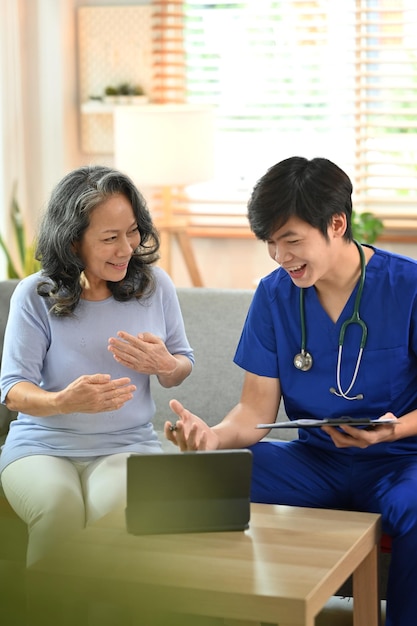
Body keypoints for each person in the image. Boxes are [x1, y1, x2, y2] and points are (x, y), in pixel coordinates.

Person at [165, 156, 417, 626]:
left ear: (336, 224)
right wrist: (212, 438)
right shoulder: (274, 294)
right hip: (315, 462)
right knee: (201, 479)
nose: (281, 257)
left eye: (292, 240)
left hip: (399, 461)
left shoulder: (409, 286)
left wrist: (394, 430)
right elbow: (254, 409)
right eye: (271, 244)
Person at [0, 164, 194, 567]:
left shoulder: (155, 287)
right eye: (109, 238)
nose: (126, 248)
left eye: (132, 232)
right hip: (41, 447)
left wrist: (165, 365)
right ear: (73, 243)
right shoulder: (34, 295)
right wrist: (63, 402)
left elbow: (181, 366)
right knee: (58, 510)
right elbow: (13, 389)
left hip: (128, 445)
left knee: (116, 513)